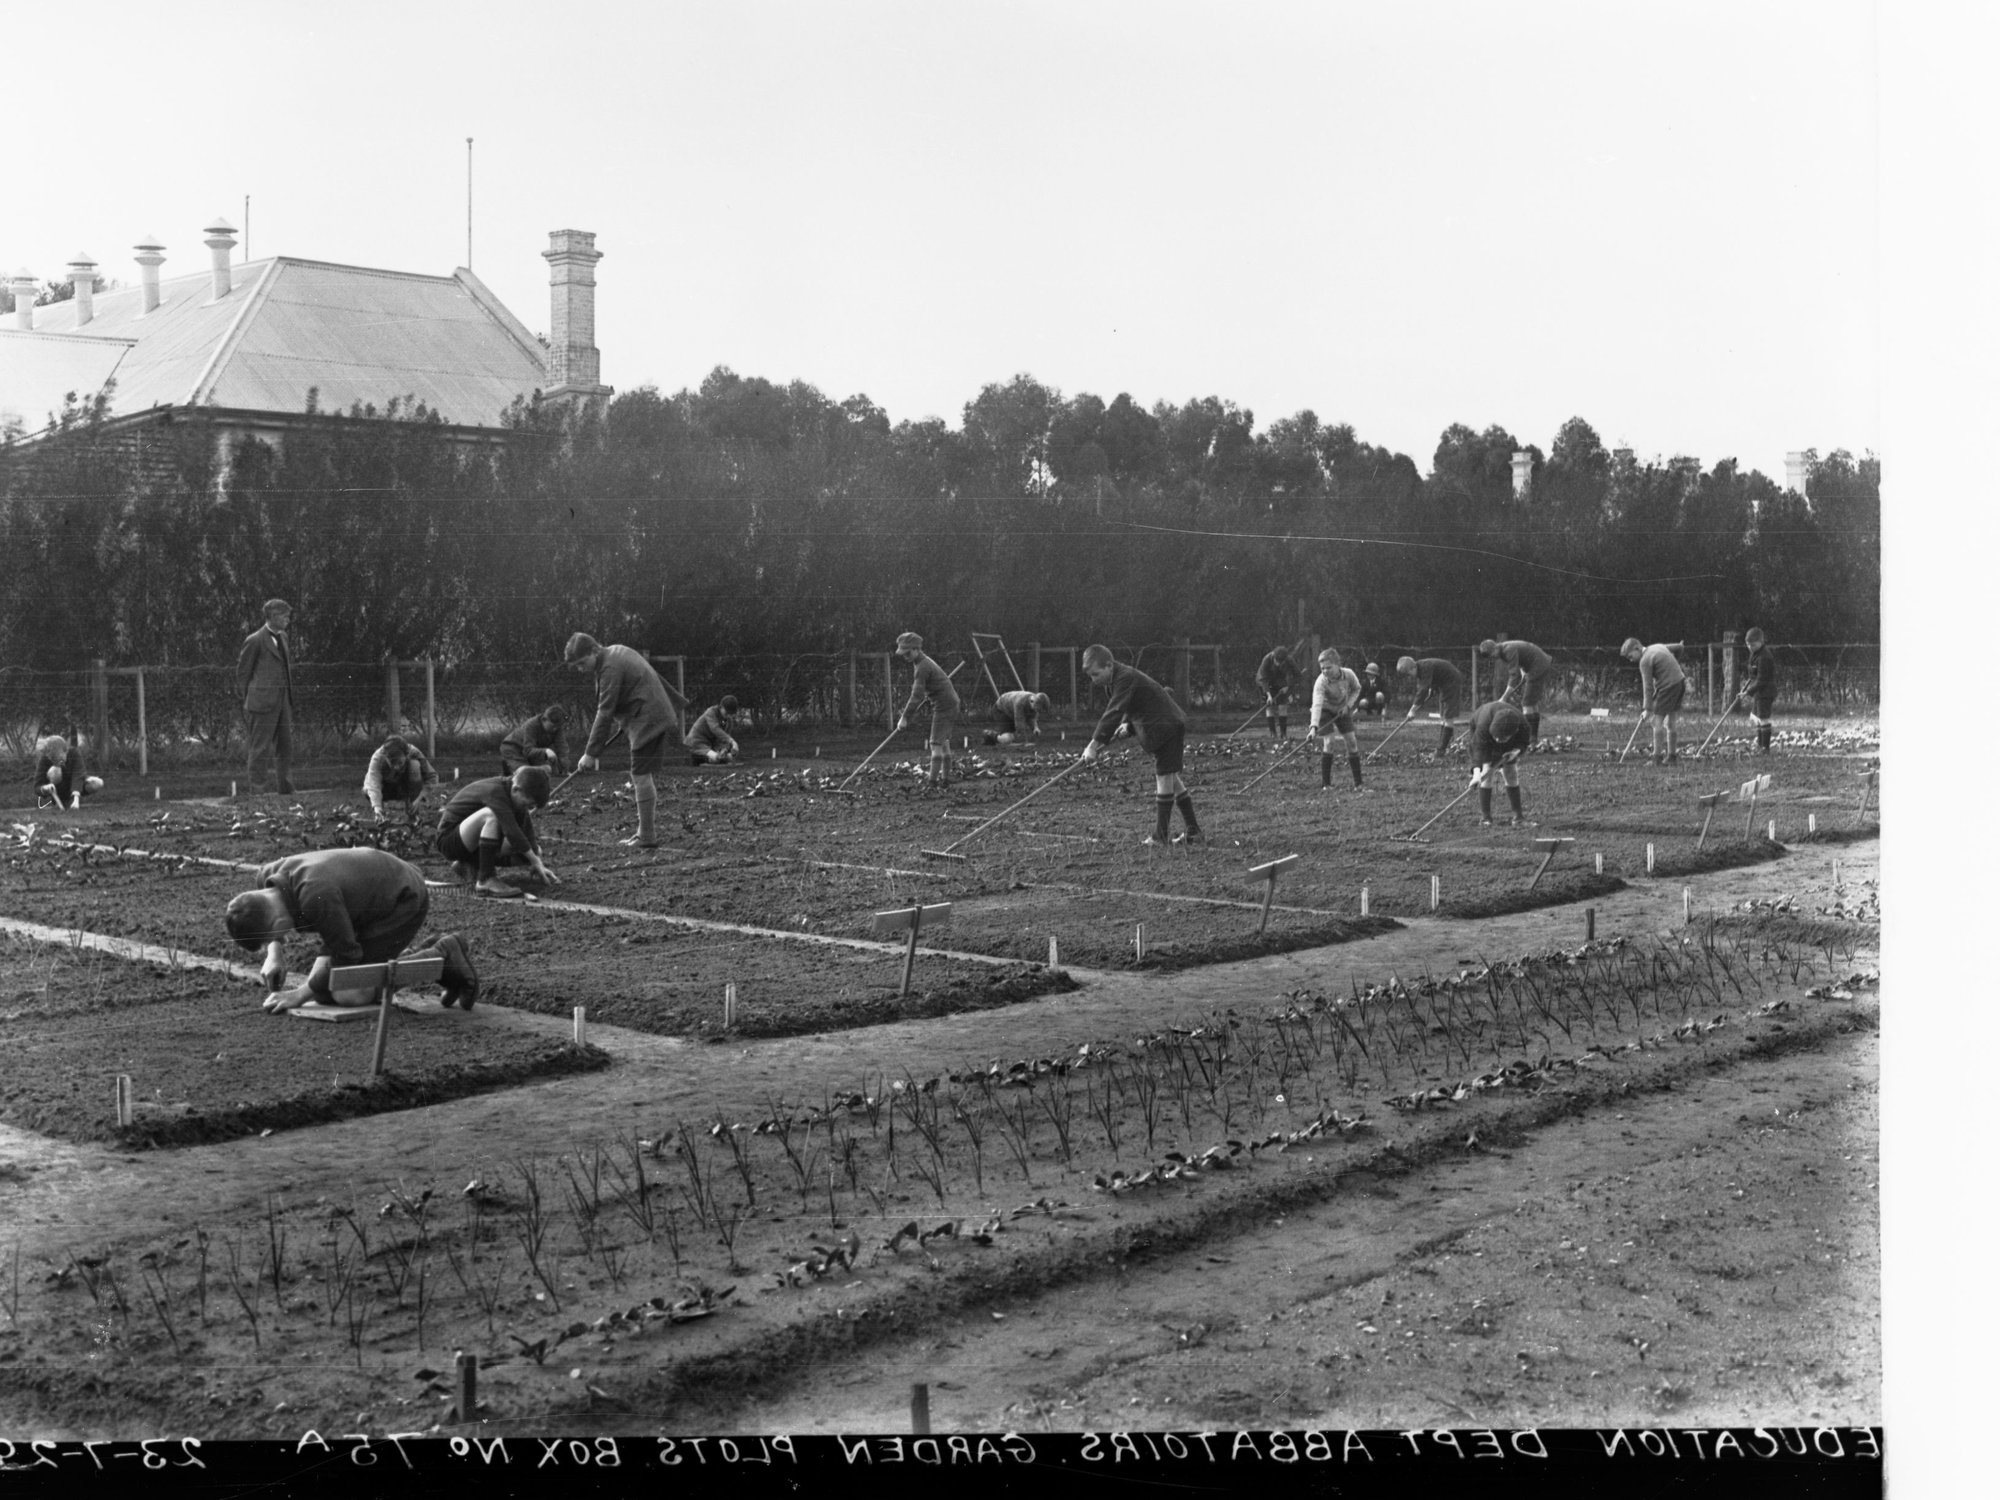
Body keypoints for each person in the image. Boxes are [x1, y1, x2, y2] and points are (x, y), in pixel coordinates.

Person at [224, 847, 476, 1014]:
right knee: (325, 992)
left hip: (400, 898)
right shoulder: (267, 877)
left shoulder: (316, 897)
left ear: (278, 926)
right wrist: (274, 953)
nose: (276, 939)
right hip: (357, 904)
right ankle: (425, 952)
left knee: (351, 994)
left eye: (273, 936)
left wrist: (299, 995)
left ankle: (442, 955)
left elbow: (347, 956)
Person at [566, 632, 681, 848]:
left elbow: (605, 711)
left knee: (640, 773)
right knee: (640, 773)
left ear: (593, 650)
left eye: (582, 663)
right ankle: (645, 834)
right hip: (647, 714)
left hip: (650, 718)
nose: (581, 670)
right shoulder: (613, 653)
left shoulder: (610, 666)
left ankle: (646, 836)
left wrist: (590, 754)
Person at [1081, 644, 1202, 846]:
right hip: (1161, 725)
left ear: (1109, 665)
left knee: (1164, 777)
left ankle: (1160, 836)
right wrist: (1128, 725)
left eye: (1096, 674)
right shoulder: (1115, 679)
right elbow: (1134, 703)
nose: (1094, 681)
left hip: (1166, 726)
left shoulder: (1124, 676)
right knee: (1172, 779)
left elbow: (1114, 711)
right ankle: (1194, 831)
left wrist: (1093, 745)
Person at [435, 766, 559, 899]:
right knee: (491, 815)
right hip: (449, 840)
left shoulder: (514, 795)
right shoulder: (495, 792)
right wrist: (534, 861)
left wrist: (537, 861)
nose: (526, 808)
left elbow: (526, 833)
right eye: (526, 804)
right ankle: (486, 879)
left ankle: (468, 865)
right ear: (515, 789)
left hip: (470, 844)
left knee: (533, 852)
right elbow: (512, 832)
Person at [236, 598, 296, 795]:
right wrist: (250, 700)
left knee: (285, 747)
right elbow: (243, 674)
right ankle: (258, 791)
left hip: (283, 702)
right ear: (272, 617)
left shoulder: (284, 638)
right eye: (284, 615)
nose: (288, 619)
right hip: (261, 704)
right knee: (260, 749)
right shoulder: (254, 640)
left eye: (288, 615)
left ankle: (286, 789)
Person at [894, 632, 961, 788]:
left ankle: (932, 783)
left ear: (917, 649)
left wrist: (904, 718)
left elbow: (916, 696)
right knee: (943, 742)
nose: (905, 657)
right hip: (950, 702)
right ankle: (944, 780)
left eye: (908, 653)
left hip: (944, 705)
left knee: (935, 743)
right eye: (903, 654)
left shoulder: (922, 667)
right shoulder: (923, 662)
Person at [1477, 638, 1555, 749]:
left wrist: (1503, 698)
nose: (1493, 658)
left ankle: (1529, 740)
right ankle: (1532, 740)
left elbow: (1514, 676)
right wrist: (1524, 672)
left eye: (1492, 655)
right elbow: (1521, 661)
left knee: (1527, 703)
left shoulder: (1508, 650)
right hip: (1537, 664)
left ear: (1494, 648)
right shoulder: (1503, 650)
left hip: (1538, 665)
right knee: (1531, 702)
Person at [1621, 637, 1688, 764]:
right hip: (1680, 682)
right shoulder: (1658, 646)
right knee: (1670, 722)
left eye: (1630, 656)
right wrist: (1673, 664)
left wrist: (1647, 709)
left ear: (1637, 648)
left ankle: (1656, 759)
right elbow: (1680, 647)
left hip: (1668, 687)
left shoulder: (1644, 661)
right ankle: (1672, 757)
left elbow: (1648, 687)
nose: (1631, 660)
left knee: (1656, 723)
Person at [1309, 647, 1368, 792]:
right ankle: (1326, 784)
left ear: (1337, 665)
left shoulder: (1348, 675)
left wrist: (1348, 706)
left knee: (1352, 742)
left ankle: (1358, 784)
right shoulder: (1321, 682)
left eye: (1328, 667)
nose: (1325, 671)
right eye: (1322, 668)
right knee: (1329, 743)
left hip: (1342, 709)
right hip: (1325, 710)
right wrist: (1313, 727)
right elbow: (1316, 704)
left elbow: (1357, 689)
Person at [1467, 699, 1532, 827]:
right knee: (1487, 771)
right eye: (1496, 737)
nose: (1498, 740)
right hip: (1483, 735)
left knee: (1511, 772)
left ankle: (1518, 817)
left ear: (1514, 732)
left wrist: (1515, 752)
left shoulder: (1523, 725)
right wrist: (1476, 775)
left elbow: (1523, 743)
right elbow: (1478, 750)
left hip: (1510, 744)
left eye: (1502, 739)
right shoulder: (1484, 725)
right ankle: (1486, 818)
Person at [1396, 656, 1467, 757]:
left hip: (1451, 682)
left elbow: (1422, 691)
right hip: (1443, 684)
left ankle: (1441, 750)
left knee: (1448, 716)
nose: (1410, 676)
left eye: (1409, 674)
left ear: (1413, 668)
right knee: (1443, 716)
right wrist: (1432, 688)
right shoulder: (1420, 668)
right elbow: (1431, 680)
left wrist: (1412, 710)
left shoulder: (1424, 668)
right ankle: (1447, 745)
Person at [362, 734, 437, 825]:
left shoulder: (413, 752)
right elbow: (373, 784)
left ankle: (413, 815)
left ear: (407, 754)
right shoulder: (378, 757)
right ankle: (381, 816)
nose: (396, 767)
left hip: (404, 787)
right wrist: (377, 808)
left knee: (415, 765)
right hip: (386, 788)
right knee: (368, 788)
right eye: (392, 763)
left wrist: (419, 798)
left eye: (400, 762)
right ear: (386, 757)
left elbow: (432, 776)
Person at [34, 734, 104, 810]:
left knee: (97, 782)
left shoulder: (74, 753)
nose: (58, 761)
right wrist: (45, 788)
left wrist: (76, 800)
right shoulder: (44, 759)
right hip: (59, 788)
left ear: (66, 751)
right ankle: (61, 800)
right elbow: (37, 787)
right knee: (56, 771)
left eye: (60, 758)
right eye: (53, 760)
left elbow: (78, 775)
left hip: (76, 785)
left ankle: (72, 800)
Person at [500, 705, 569, 775]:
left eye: (557, 727)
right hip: (513, 748)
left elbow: (562, 748)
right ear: (544, 719)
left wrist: (565, 768)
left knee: (549, 770)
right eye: (552, 726)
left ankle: (519, 768)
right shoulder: (532, 725)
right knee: (526, 775)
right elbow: (528, 750)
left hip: (531, 753)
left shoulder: (557, 728)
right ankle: (513, 768)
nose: (555, 729)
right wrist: (546, 751)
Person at [1742, 628, 1778, 754]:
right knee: (1756, 717)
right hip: (1758, 692)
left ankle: (1765, 748)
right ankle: (1759, 744)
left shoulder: (1764, 657)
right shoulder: (1755, 654)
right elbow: (1753, 675)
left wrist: (1748, 692)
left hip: (1766, 692)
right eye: (1748, 645)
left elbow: (1762, 680)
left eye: (1753, 644)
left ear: (1761, 642)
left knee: (1763, 718)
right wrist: (1747, 688)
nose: (1750, 647)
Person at [1254, 645, 1299, 741]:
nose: (1278, 664)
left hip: (1280, 683)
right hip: (1265, 682)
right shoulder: (1266, 660)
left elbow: (1297, 676)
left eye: (1281, 662)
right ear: (1273, 657)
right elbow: (1263, 679)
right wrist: (1269, 695)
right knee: (1270, 706)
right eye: (1277, 662)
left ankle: (1283, 734)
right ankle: (1273, 733)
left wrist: (1288, 686)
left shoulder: (1289, 660)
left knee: (1282, 706)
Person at [685, 696, 743, 765]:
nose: (728, 716)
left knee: (727, 758)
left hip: (710, 745)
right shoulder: (711, 712)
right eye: (726, 713)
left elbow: (723, 739)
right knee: (716, 758)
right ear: (721, 707)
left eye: (730, 714)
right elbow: (715, 729)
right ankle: (697, 757)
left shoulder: (729, 721)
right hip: (697, 742)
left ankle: (710, 757)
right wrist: (732, 741)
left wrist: (723, 749)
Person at [982, 689, 1051, 746]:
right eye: (1038, 709)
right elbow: (1019, 722)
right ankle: (988, 734)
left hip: (1011, 712)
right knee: (1007, 739)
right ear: (1033, 702)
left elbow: (1032, 718)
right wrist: (1026, 742)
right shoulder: (1020, 702)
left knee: (1012, 737)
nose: (1038, 712)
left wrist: (1035, 728)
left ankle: (1005, 738)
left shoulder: (1034, 701)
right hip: (1001, 710)